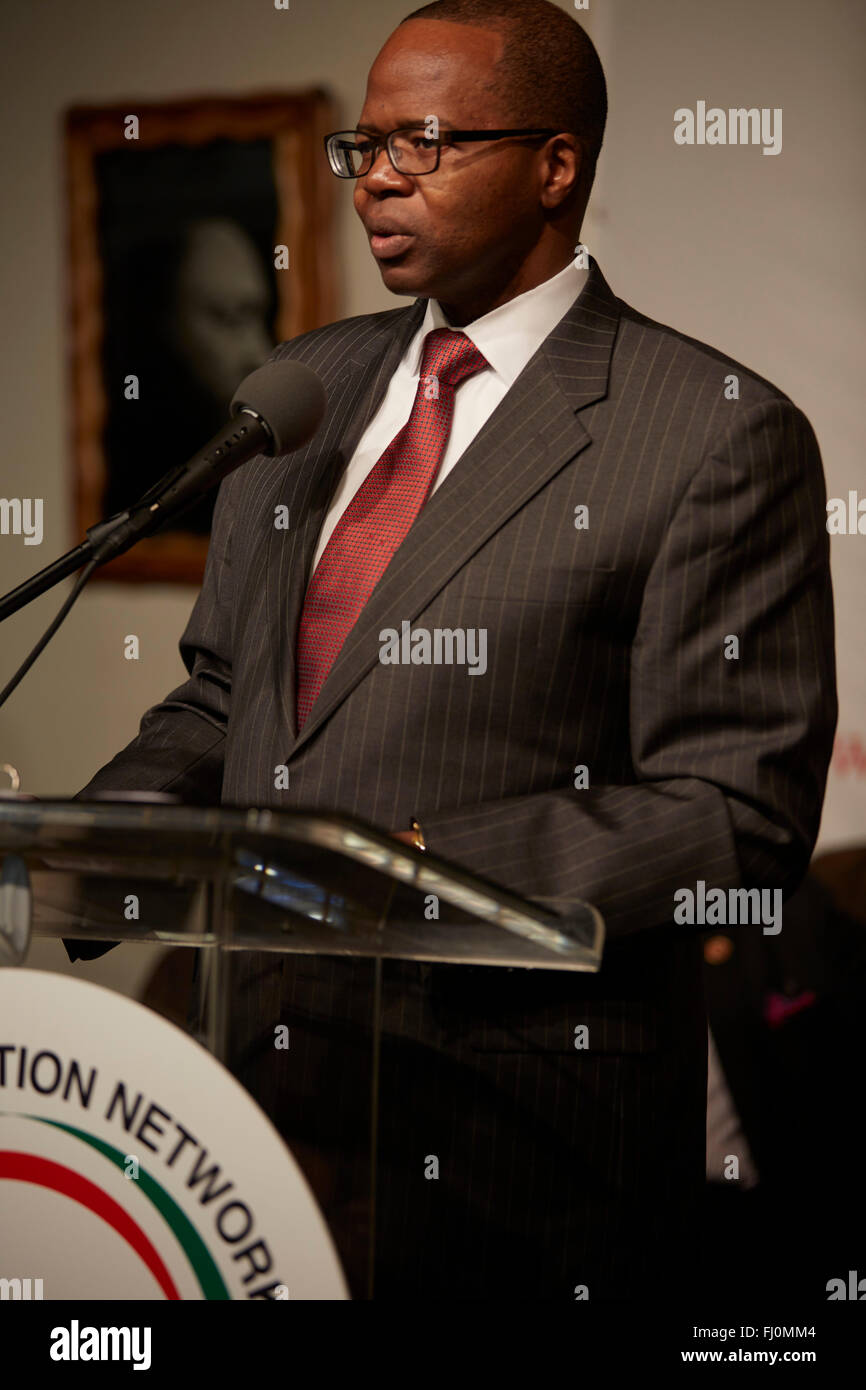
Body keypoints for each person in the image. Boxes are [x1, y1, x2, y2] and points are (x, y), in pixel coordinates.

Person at [73, 0, 837, 1300]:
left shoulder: (711, 432)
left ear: (555, 165)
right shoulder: (296, 391)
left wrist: (409, 877)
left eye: (423, 140)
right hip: (254, 1100)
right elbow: (224, 699)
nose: (376, 170)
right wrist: (103, 844)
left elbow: (731, 812)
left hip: (515, 1131)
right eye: (363, 142)